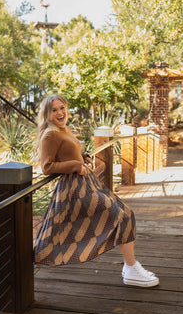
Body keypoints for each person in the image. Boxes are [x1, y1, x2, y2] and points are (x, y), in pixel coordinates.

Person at [34, 94, 159, 288]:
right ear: (47, 114)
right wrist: (76, 165)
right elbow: (47, 167)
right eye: (54, 110)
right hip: (74, 189)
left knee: (126, 213)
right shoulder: (50, 134)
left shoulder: (64, 130)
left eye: (62, 108)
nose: (60, 113)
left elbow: (67, 152)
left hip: (86, 183)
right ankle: (131, 268)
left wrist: (82, 157)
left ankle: (130, 267)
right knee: (121, 216)